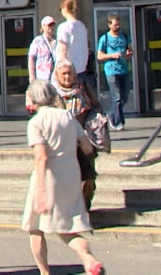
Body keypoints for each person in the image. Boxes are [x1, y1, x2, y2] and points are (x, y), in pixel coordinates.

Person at [22, 80, 104, 275]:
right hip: (71, 175)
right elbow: (87, 147)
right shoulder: (67, 116)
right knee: (67, 229)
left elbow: (41, 158)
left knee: (35, 228)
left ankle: (44, 272)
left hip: (48, 177)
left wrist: (40, 191)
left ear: (34, 99)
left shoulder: (36, 123)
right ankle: (88, 259)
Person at [53, 60, 99, 211]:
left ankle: (84, 207)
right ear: (57, 75)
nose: (67, 77)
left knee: (88, 179)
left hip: (85, 140)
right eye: (63, 74)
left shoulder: (84, 87)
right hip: (63, 143)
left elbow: (96, 107)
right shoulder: (51, 94)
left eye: (70, 73)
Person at [96, 14, 132, 131]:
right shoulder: (104, 39)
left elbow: (129, 50)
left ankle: (111, 114)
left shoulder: (124, 36)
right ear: (109, 25)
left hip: (123, 69)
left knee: (124, 96)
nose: (118, 27)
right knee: (116, 96)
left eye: (119, 24)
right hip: (111, 71)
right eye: (115, 25)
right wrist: (112, 55)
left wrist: (128, 54)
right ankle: (118, 122)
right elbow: (99, 56)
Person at [55, 0, 93, 86]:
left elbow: (62, 50)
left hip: (68, 71)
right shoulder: (82, 26)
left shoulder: (63, 27)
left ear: (65, 9)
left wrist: (58, 70)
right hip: (82, 69)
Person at [28, 16, 58, 85]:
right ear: (43, 26)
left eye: (52, 25)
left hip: (55, 79)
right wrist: (32, 76)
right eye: (49, 25)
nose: (51, 27)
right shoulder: (37, 41)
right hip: (42, 78)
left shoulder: (57, 41)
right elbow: (31, 58)